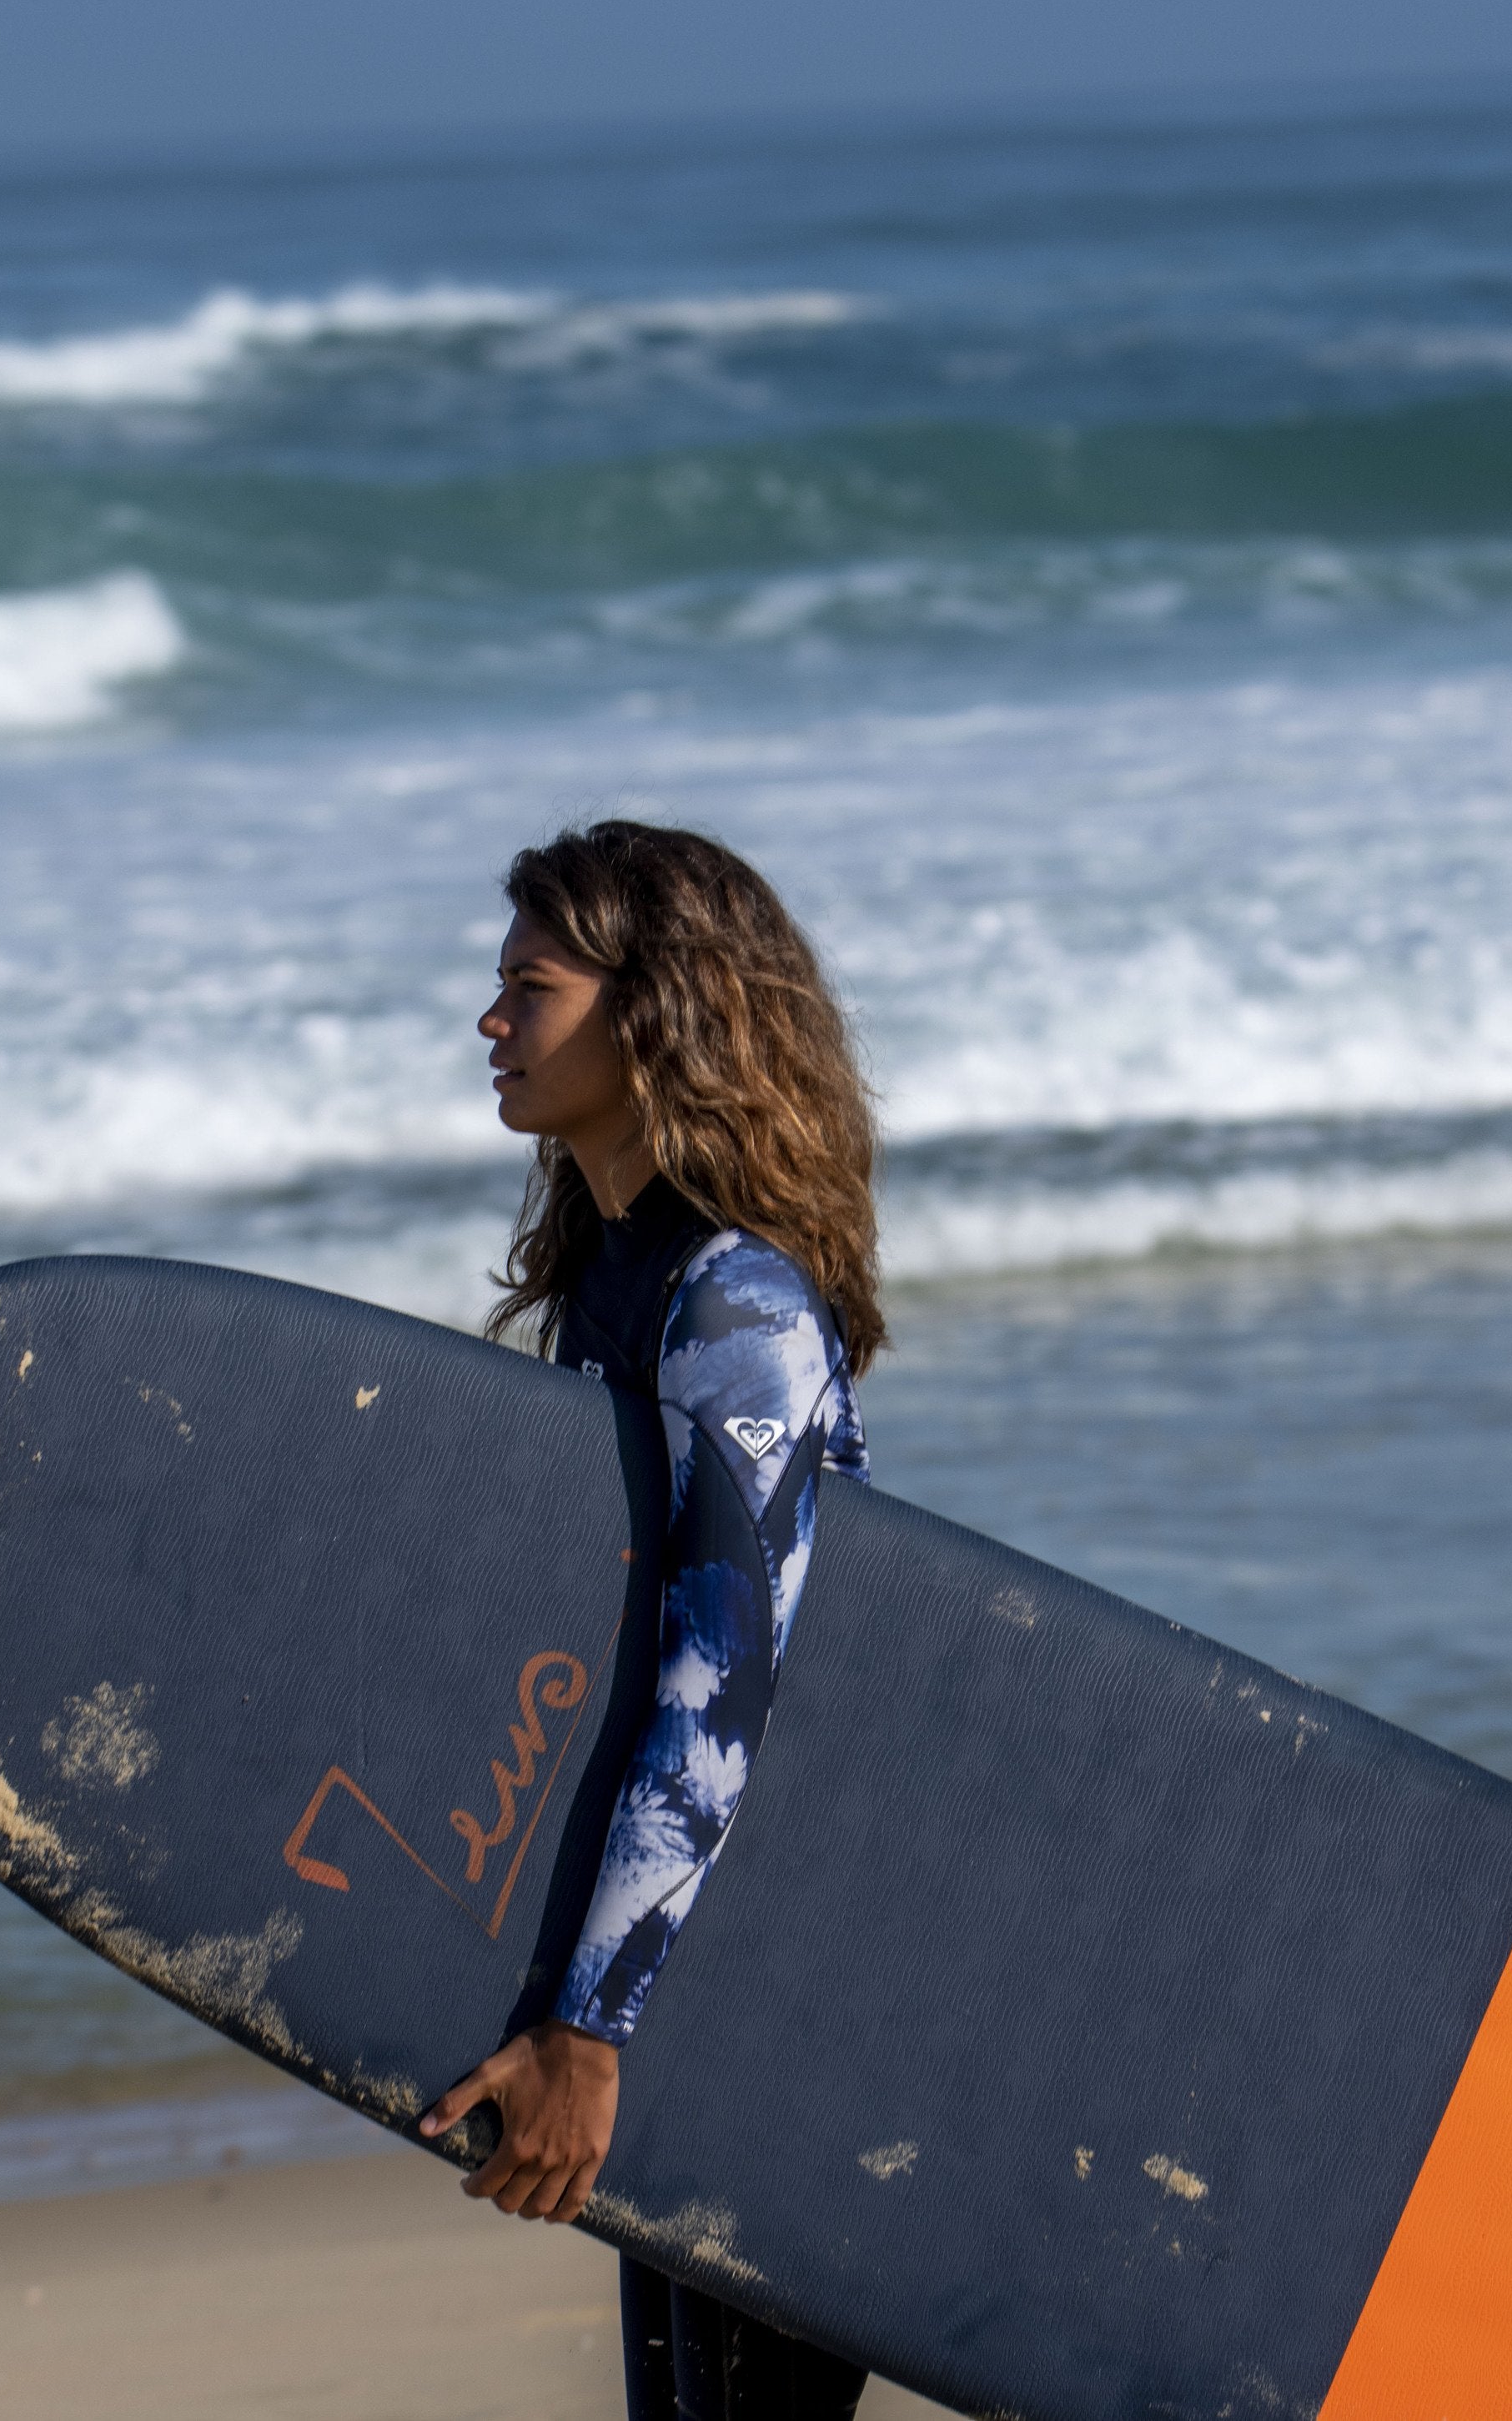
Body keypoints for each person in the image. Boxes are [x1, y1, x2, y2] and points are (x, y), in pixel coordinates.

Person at [416, 820, 885, 2421]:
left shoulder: (737, 1306)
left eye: (528, 988)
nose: (493, 1023)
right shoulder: (619, 1279)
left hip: (786, 1973)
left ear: (652, 1010)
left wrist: (589, 2029)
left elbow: (719, 1686)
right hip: (688, 1952)